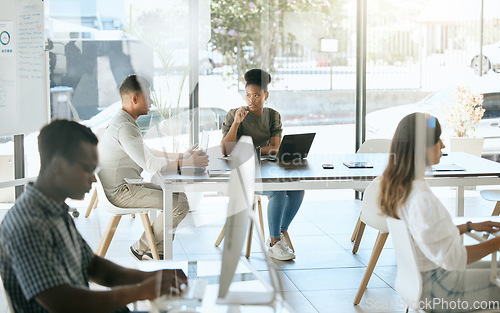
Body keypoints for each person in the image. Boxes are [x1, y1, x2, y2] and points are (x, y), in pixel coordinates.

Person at [0, 120, 187, 313]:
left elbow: (94, 267)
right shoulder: (27, 224)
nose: (93, 178)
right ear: (58, 166)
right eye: (88, 169)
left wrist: (151, 277)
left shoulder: (55, 210)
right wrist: (141, 291)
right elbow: (65, 303)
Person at [379, 112, 500, 312]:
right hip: (440, 290)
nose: (443, 146)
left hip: (423, 282)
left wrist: (468, 226)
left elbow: (427, 235)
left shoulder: (404, 187)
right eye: (438, 140)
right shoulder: (421, 198)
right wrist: (497, 242)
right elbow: (453, 258)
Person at [98, 74, 208, 260]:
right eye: (148, 96)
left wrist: (183, 156)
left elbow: (149, 152)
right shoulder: (124, 126)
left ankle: (155, 253)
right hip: (121, 192)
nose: (151, 101)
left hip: (127, 185)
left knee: (177, 197)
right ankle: (141, 248)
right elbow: (151, 164)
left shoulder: (123, 121)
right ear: (135, 99)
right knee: (179, 204)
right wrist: (189, 163)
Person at [221, 69, 304, 261]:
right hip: (242, 173)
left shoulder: (273, 116)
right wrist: (236, 124)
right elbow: (226, 150)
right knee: (278, 192)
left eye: (257, 95)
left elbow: (275, 147)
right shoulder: (234, 114)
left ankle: (280, 231)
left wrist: (247, 149)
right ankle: (275, 242)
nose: (252, 100)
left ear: (266, 95)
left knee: (297, 190)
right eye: (248, 95)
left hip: (267, 169)